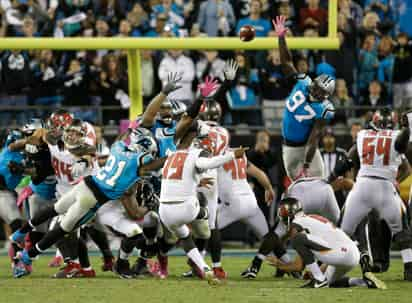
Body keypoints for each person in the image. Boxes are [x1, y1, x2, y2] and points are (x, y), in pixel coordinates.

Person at [159, 126, 248, 284]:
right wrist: (233, 154)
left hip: (164, 211)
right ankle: (203, 214)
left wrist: (197, 180)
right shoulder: (194, 153)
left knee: (185, 237)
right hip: (186, 208)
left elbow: (173, 178)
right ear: (193, 136)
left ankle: (205, 269)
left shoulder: (170, 154)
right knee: (202, 200)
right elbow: (210, 163)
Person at [337, 108, 412, 281]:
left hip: (364, 188)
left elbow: (348, 159)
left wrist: (335, 177)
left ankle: (332, 266)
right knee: (401, 226)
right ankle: (406, 266)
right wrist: (395, 180)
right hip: (385, 187)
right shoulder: (395, 137)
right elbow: (407, 166)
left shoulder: (364, 136)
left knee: (349, 228)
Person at [267, 197, 386, 289]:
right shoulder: (310, 218)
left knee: (297, 239)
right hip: (351, 253)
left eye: (282, 212)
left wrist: (279, 264)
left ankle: (319, 280)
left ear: (289, 212)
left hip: (340, 253)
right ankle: (362, 282)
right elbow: (323, 245)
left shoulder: (297, 224)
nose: (281, 215)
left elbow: (298, 266)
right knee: (330, 282)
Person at [273, 16, 335, 180]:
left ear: (325, 96)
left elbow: (314, 138)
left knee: (320, 182)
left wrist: (306, 165)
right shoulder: (303, 82)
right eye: (315, 86)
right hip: (290, 147)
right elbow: (286, 62)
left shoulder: (324, 110)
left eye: (319, 91)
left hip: (306, 147)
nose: (313, 91)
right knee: (298, 189)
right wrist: (281, 37)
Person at [247, 130, 279, 222]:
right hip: (255, 188)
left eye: (265, 141)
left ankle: (268, 232)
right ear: (257, 141)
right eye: (261, 140)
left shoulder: (272, 154)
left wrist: (266, 151)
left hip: (268, 188)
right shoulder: (251, 153)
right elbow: (248, 166)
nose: (263, 143)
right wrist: (257, 152)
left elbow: (270, 164)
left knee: (268, 216)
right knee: (253, 214)